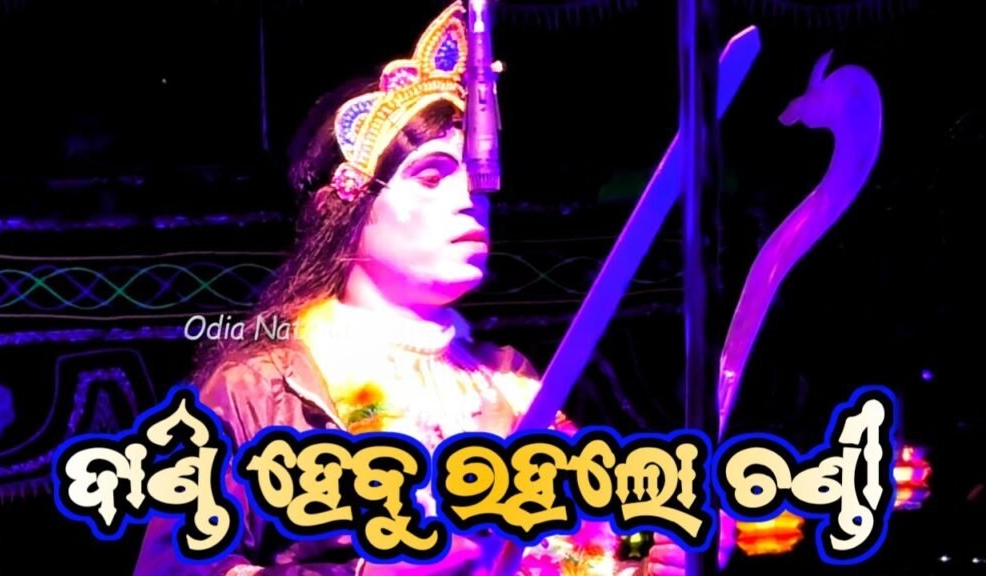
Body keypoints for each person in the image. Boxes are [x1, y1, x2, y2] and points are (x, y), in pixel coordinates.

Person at [133, 3, 735, 574]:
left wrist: (648, 554)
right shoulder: (260, 389)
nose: (470, 199)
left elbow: (573, 550)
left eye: (475, 178)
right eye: (430, 176)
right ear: (347, 208)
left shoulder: (510, 384)